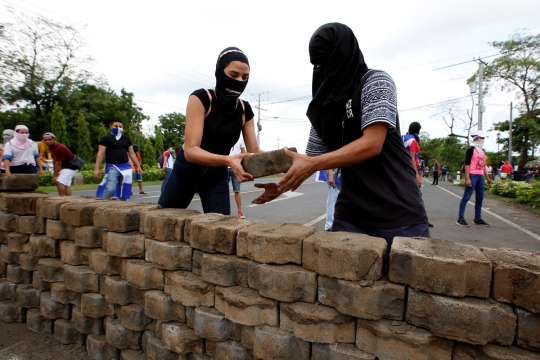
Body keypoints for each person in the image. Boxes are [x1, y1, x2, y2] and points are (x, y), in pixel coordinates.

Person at [253, 23, 429, 256]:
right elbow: (309, 159)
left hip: (397, 212)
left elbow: (372, 143)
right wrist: (282, 186)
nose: (321, 69)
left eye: (326, 61)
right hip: (350, 213)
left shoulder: (375, 82)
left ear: (345, 54)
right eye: (316, 64)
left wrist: (313, 164)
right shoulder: (325, 106)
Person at [158, 47, 262, 214]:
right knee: (162, 222)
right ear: (219, 72)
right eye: (233, 75)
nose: (239, 81)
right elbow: (191, 150)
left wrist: (286, 161)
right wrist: (229, 160)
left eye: (245, 77)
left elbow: (254, 151)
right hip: (187, 171)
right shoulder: (201, 99)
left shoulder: (244, 109)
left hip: (216, 175)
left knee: (221, 232)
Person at [94, 120, 141, 201]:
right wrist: (97, 168)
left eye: (120, 126)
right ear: (111, 126)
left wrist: (138, 166)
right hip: (113, 166)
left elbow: (131, 153)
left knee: (125, 188)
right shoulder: (106, 138)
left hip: (125, 167)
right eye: (116, 126)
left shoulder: (126, 139)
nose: (118, 128)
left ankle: (123, 206)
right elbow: (100, 153)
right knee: (110, 188)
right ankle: (103, 204)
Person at [456, 130, 492, 227]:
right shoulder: (471, 150)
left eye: (482, 138)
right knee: (466, 197)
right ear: (476, 139)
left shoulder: (482, 151)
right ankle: (460, 218)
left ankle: (478, 218)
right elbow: (467, 165)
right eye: (480, 138)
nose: (481, 140)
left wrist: (487, 178)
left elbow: (483, 165)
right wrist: (467, 178)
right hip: (472, 175)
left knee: (480, 198)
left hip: (480, 176)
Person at [228, 137, 247, 218]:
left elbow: (244, 153)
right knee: (223, 191)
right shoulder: (225, 134)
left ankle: (240, 212)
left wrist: (242, 167)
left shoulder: (241, 139)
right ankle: (224, 213)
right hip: (225, 167)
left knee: (237, 191)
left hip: (236, 168)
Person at [402, 122, 422, 188]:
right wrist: (417, 175)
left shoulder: (402, 137)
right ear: (418, 130)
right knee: (416, 193)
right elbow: (412, 158)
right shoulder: (412, 140)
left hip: (400, 167)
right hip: (410, 169)